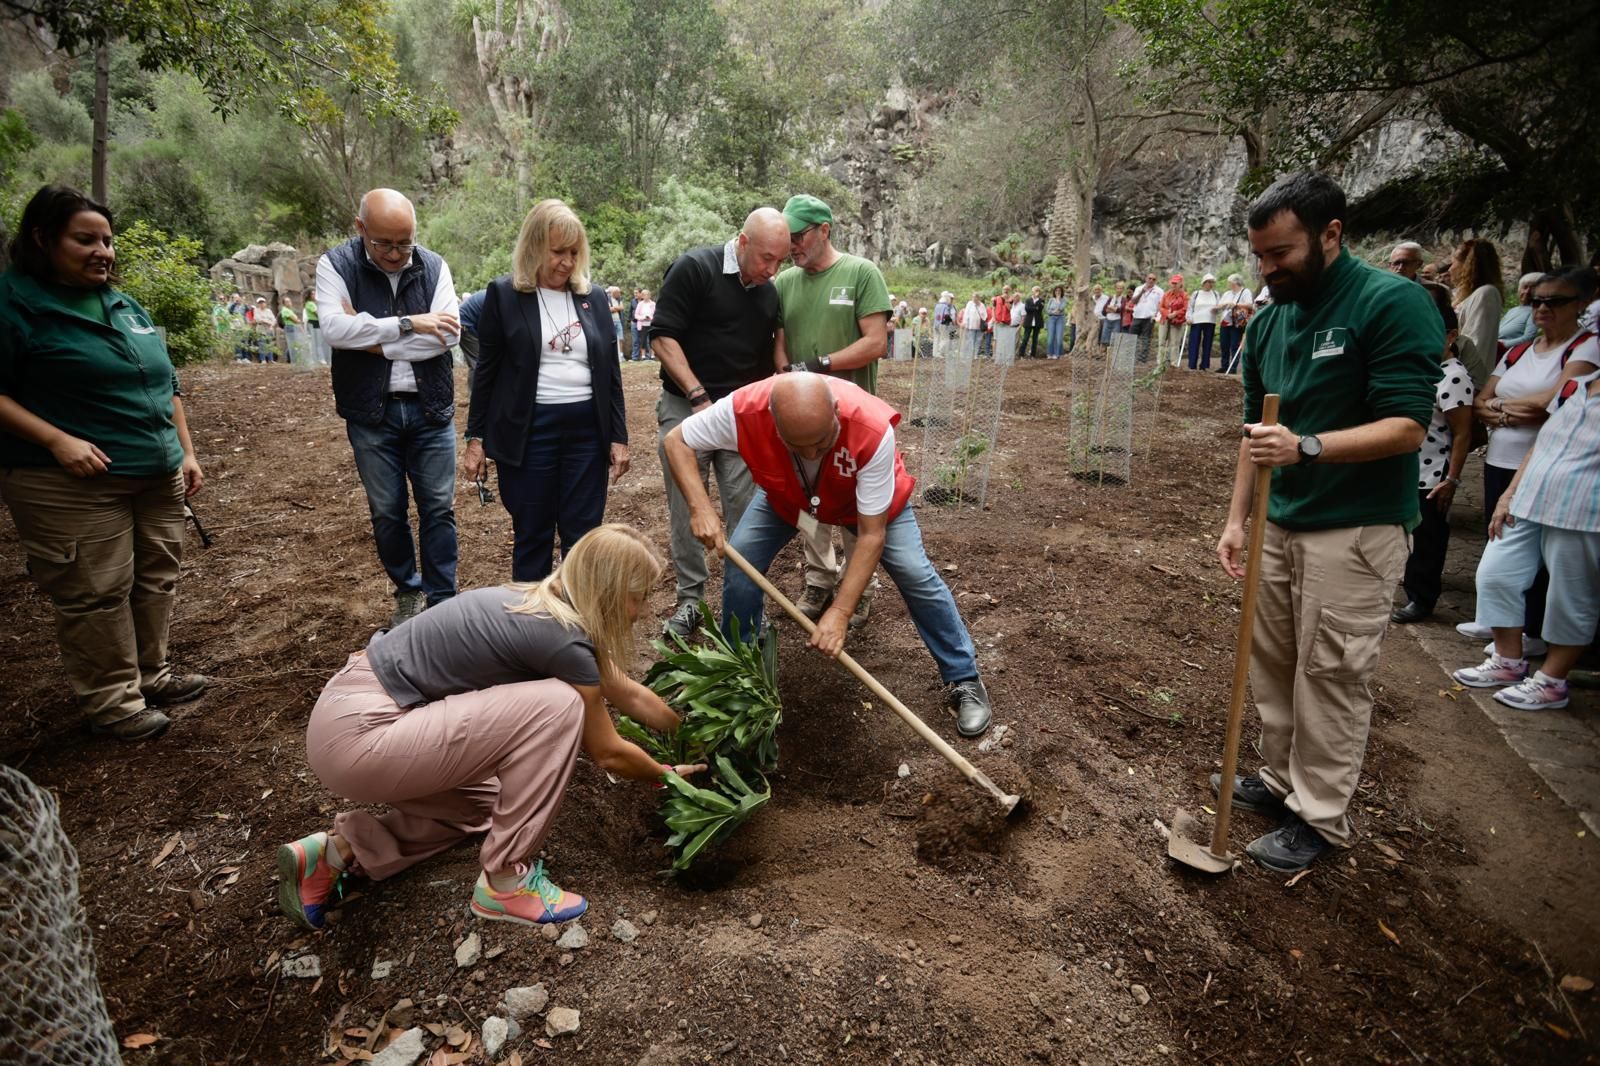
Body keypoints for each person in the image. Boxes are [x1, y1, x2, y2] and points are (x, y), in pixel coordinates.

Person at [275, 524, 703, 932]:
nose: (644, 610)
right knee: (558, 706)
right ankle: (504, 884)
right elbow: (607, 751)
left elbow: (629, 694)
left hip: (349, 714)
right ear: (607, 593)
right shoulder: (562, 638)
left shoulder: (539, 604)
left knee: (493, 806)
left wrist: (690, 733)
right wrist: (665, 778)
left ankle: (335, 854)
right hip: (364, 735)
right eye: (639, 597)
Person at [1214, 172, 1441, 873]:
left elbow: (1408, 426)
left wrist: (1308, 448)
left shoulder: (1390, 302)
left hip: (1358, 526)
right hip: (1281, 523)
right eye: (1259, 255)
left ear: (1331, 234)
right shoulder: (1271, 319)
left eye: (1280, 253)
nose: (1267, 268)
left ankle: (1320, 816)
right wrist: (1237, 518)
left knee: (1332, 670)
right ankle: (1281, 781)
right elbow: (1257, 430)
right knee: (1276, 663)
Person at [662, 374, 996, 737]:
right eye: (797, 445)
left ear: (836, 412)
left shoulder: (870, 428)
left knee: (914, 572)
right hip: (790, 499)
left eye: (821, 443)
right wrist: (700, 507)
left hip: (867, 508)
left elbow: (871, 536)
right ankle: (736, 668)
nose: (810, 454)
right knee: (741, 560)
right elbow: (676, 440)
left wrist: (839, 611)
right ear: (774, 422)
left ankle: (963, 677)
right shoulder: (743, 411)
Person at [0, 184, 208, 740]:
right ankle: (113, 700)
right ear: (42, 238)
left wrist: (184, 450)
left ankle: (151, 672)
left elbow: (167, 381)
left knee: (155, 574)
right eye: (85, 239)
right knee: (94, 589)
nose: (102, 251)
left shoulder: (119, 301)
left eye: (108, 241)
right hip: (69, 481)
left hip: (155, 468)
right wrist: (55, 440)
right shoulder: (14, 303)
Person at [316, 188, 462, 629]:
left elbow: (449, 336)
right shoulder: (335, 265)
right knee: (386, 509)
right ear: (361, 229)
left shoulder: (435, 267)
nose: (397, 254)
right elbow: (335, 330)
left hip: (430, 409)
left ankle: (442, 599)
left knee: (439, 506)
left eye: (405, 243)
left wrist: (372, 339)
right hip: (371, 413)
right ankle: (408, 591)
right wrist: (408, 324)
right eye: (384, 243)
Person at [463, 199, 629, 583]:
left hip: (587, 432)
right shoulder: (504, 296)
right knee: (532, 533)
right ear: (534, 247)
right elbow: (485, 372)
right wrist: (476, 438)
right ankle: (530, 627)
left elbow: (610, 373)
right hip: (529, 432)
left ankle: (575, 624)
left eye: (574, 252)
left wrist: (619, 437)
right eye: (558, 252)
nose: (568, 262)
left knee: (583, 536)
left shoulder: (595, 298)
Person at [650, 208, 788, 638]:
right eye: (767, 258)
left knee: (745, 511)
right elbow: (663, 337)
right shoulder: (695, 269)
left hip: (739, 418)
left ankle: (745, 602)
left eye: (780, 261)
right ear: (742, 243)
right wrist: (697, 396)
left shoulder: (768, 293)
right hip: (685, 407)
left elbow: (767, 362)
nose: (773, 269)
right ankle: (690, 601)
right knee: (688, 507)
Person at [1459, 269, 1598, 648]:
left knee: (1540, 553)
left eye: (1555, 301)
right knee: (1498, 535)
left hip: (1546, 463)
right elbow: (1480, 399)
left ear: (1581, 303)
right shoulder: (1522, 349)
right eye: (1536, 300)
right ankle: (1499, 621)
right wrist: (1505, 412)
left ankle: (1531, 630)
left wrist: (1497, 410)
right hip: (1501, 457)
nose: (1543, 308)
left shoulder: (1584, 348)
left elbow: (1553, 402)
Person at [1450, 359, 1600, 710]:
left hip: (1583, 511)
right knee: (1496, 574)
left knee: (1571, 597)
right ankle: (1507, 661)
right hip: (1530, 498)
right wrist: (1508, 494)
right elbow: (1542, 442)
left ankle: (1552, 681)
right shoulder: (1576, 385)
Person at [772, 194, 892, 627]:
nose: (792, 246)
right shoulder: (785, 282)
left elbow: (875, 342)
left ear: (824, 230)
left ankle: (858, 589)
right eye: (788, 239)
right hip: (801, 419)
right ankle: (820, 577)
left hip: (852, 420)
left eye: (799, 236)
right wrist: (785, 372)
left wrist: (821, 364)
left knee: (857, 507)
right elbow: (779, 340)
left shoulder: (860, 273)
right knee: (810, 500)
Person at [1391, 283, 1476, 624]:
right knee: (1404, 531)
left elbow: (1462, 432)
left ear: (1450, 335)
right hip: (1408, 466)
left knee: (1428, 537)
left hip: (1433, 472)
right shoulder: (1420, 367)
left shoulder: (1454, 377)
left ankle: (1422, 598)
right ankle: (1406, 585)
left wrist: (1452, 479)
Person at [1451, 238, 1503, 388]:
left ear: (1466, 265)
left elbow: (1476, 342)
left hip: (1468, 378)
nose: (1450, 269)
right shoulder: (1469, 295)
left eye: (1454, 263)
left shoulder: (1485, 294)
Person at [1215, 273, 1255, 372]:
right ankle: (1224, 366)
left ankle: (1233, 367)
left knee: (1234, 345)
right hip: (1225, 322)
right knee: (1224, 345)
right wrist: (1224, 305)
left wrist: (1235, 304)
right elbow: (1219, 305)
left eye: (1230, 282)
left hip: (1237, 322)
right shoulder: (1227, 293)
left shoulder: (1245, 292)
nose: (1229, 284)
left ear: (1235, 282)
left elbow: (1250, 305)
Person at [1186, 274, 1221, 370]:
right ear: (1204, 283)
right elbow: (1190, 307)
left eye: (1212, 282)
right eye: (1208, 282)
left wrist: (1217, 310)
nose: (1210, 284)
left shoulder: (1215, 294)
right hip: (1196, 320)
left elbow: (1219, 307)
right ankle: (1192, 364)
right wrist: (1188, 317)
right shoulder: (1196, 293)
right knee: (1194, 342)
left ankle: (1204, 365)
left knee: (1208, 343)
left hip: (1210, 321)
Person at [1498, 273, 1543, 347]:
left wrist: (1501, 345)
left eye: (1532, 289)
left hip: (1507, 350)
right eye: (1525, 287)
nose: (1527, 292)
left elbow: (1528, 338)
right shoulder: (1512, 310)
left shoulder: (1534, 311)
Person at [1129, 272, 1163, 361]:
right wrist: (1141, 292)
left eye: (1153, 279)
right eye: (1149, 278)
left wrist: (1157, 316)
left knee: (1146, 338)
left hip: (1149, 317)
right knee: (1132, 336)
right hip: (1137, 316)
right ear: (1146, 278)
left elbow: (1161, 305)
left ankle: (1143, 357)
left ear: (1156, 281)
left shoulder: (1159, 291)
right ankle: (1131, 356)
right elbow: (1133, 301)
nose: (1151, 280)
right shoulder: (1139, 288)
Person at [1157, 274, 1187, 366]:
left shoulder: (1184, 295)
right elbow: (1160, 306)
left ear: (1180, 284)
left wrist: (1176, 313)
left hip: (1177, 321)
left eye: (1175, 283)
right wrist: (1167, 313)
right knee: (1162, 340)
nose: (1173, 285)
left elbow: (1185, 308)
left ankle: (1174, 362)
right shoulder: (1166, 294)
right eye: (1172, 283)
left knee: (1174, 342)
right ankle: (1160, 361)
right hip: (1165, 319)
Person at [457, 288, 485, 379]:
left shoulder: (495, 294)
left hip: (466, 322)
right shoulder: (497, 299)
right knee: (477, 363)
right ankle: (476, 392)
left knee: (478, 361)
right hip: (464, 325)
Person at [959, 291, 988, 356]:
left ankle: (975, 354)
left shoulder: (982, 305)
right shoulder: (969, 304)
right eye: (973, 298)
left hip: (979, 326)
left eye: (975, 298)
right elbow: (966, 314)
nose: (974, 300)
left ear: (978, 298)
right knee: (971, 340)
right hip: (971, 326)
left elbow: (985, 316)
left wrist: (980, 313)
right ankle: (970, 354)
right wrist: (964, 322)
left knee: (978, 340)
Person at [1020, 285, 1045, 359]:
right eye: (1035, 290)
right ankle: (1021, 354)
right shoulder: (1028, 300)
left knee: (1035, 339)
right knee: (1025, 338)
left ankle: (1033, 355)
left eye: (1038, 291)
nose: (1037, 292)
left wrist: (1034, 307)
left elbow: (1040, 308)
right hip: (1028, 322)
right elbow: (1027, 309)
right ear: (1032, 291)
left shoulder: (1041, 300)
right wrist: (1035, 308)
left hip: (1037, 322)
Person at [303, 290, 326, 365]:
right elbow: (317, 313)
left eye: (315, 293)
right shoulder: (310, 304)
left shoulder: (313, 303)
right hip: (314, 324)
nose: (314, 295)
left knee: (316, 342)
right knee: (317, 343)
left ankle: (317, 359)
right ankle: (321, 359)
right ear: (309, 295)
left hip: (316, 323)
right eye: (312, 294)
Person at [1045, 285, 1069, 358]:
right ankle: (1050, 353)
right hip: (1051, 318)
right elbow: (1047, 310)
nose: (1057, 292)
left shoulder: (1064, 300)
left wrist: (1058, 300)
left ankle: (1058, 354)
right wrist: (1053, 312)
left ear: (1061, 292)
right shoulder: (1051, 300)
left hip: (1060, 319)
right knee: (1051, 337)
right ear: (1054, 292)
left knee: (1059, 337)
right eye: (1056, 291)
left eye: (1059, 291)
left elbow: (1061, 308)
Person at [632, 289, 655, 362]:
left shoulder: (653, 304)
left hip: (651, 324)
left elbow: (656, 314)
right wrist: (643, 317)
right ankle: (643, 355)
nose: (645, 296)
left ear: (649, 295)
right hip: (642, 324)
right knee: (643, 340)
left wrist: (650, 317)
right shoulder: (640, 304)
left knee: (652, 340)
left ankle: (652, 355)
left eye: (646, 294)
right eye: (643, 295)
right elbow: (636, 315)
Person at [252, 296, 278, 362]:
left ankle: (271, 359)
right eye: (260, 303)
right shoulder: (256, 310)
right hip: (261, 329)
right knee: (262, 344)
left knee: (270, 344)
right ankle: (263, 359)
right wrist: (268, 322)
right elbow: (259, 319)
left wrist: (271, 325)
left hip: (269, 329)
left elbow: (274, 319)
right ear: (258, 304)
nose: (261, 304)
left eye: (263, 302)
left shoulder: (269, 311)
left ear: (265, 303)